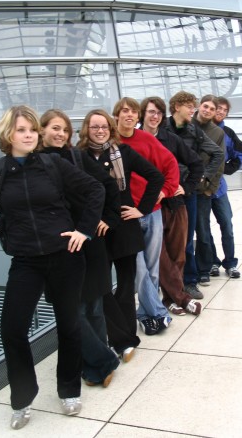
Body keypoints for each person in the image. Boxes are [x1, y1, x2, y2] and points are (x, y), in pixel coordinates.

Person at [0, 105, 105, 430]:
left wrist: (84, 230)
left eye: (32, 130)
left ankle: (68, 390)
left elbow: (95, 189)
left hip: (65, 257)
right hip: (26, 262)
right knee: (11, 329)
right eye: (21, 129)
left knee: (69, 325)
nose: (28, 135)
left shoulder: (52, 164)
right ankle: (22, 398)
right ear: (8, 133)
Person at [39, 109, 121, 386]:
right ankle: (102, 359)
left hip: (87, 239)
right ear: (42, 130)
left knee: (94, 306)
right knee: (71, 310)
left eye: (64, 129)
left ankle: (95, 365)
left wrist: (106, 219)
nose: (60, 134)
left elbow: (108, 186)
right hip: (58, 244)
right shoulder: (34, 161)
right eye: (54, 128)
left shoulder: (77, 157)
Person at [77, 109, 164, 351]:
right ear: (86, 129)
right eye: (94, 127)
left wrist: (142, 209)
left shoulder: (123, 153)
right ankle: (116, 335)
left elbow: (155, 177)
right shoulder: (79, 156)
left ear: (110, 128)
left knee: (126, 287)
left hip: (124, 228)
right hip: (97, 230)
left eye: (104, 126)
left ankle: (126, 338)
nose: (100, 131)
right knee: (102, 288)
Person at [112, 98, 180, 334]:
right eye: (124, 111)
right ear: (117, 115)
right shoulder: (110, 142)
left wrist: (164, 192)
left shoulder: (147, 140)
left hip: (152, 212)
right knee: (139, 268)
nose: (129, 115)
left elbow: (171, 165)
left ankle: (145, 313)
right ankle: (158, 313)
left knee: (152, 268)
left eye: (133, 111)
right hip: (126, 216)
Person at [139, 96, 204, 316]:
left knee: (178, 253)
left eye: (158, 112)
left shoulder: (171, 139)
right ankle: (180, 297)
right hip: (149, 207)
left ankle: (169, 299)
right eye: (150, 112)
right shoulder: (133, 139)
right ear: (142, 114)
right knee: (159, 254)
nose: (155, 116)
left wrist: (185, 187)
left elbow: (196, 163)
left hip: (175, 204)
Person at [166, 91, 224, 300]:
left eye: (194, 106)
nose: (194, 109)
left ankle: (189, 281)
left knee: (187, 239)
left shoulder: (194, 130)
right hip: (164, 193)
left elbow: (218, 153)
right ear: (176, 107)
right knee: (165, 241)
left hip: (187, 192)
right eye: (190, 106)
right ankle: (168, 283)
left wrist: (202, 178)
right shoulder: (162, 128)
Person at [209, 96, 242, 279]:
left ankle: (230, 263)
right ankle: (212, 262)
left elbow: (240, 154)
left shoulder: (228, 133)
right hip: (201, 189)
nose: (221, 112)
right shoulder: (199, 130)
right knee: (203, 230)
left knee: (227, 225)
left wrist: (226, 169)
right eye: (219, 108)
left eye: (225, 110)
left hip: (220, 190)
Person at [192, 94, 225, 286]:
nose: (208, 111)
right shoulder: (187, 125)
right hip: (184, 188)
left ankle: (203, 269)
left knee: (203, 231)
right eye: (206, 106)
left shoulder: (216, 132)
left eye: (212, 109)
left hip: (202, 190)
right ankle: (187, 268)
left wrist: (209, 189)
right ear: (199, 106)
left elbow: (219, 162)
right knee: (185, 233)